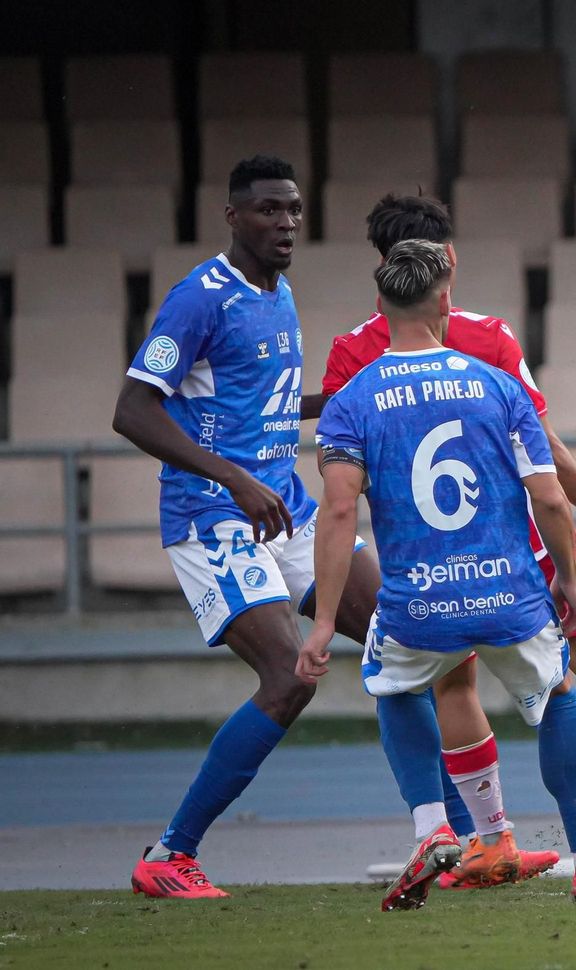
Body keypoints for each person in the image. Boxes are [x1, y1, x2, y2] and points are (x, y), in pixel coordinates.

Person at [303, 194, 576, 876]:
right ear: (449, 266)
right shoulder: (490, 338)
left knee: (452, 688)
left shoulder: (352, 355)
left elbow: (351, 477)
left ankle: (490, 836)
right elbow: (544, 446)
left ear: (383, 270)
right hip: (527, 547)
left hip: (430, 560)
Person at [298, 238, 576, 910]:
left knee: (395, 687)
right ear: (445, 299)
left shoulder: (352, 401)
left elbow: (336, 510)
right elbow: (551, 497)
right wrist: (565, 579)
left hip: (418, 603)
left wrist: (325, 621)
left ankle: (434, 827)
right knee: (558, 697)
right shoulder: (498, 387)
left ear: (381, 306)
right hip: (510, 595)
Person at [114, 155, 387, 898]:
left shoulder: (281, 291)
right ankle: (170, 854)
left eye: (293, 210)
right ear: (233, 216)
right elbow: (132, 409)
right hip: (213, 520)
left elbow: (258, 397)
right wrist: (231, 477)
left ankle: (451, 834)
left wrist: (339, 399)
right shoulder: (198, 299)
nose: (286, 223)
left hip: (288, 509)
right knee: (287, 677)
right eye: (269, 210)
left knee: (403, 633)